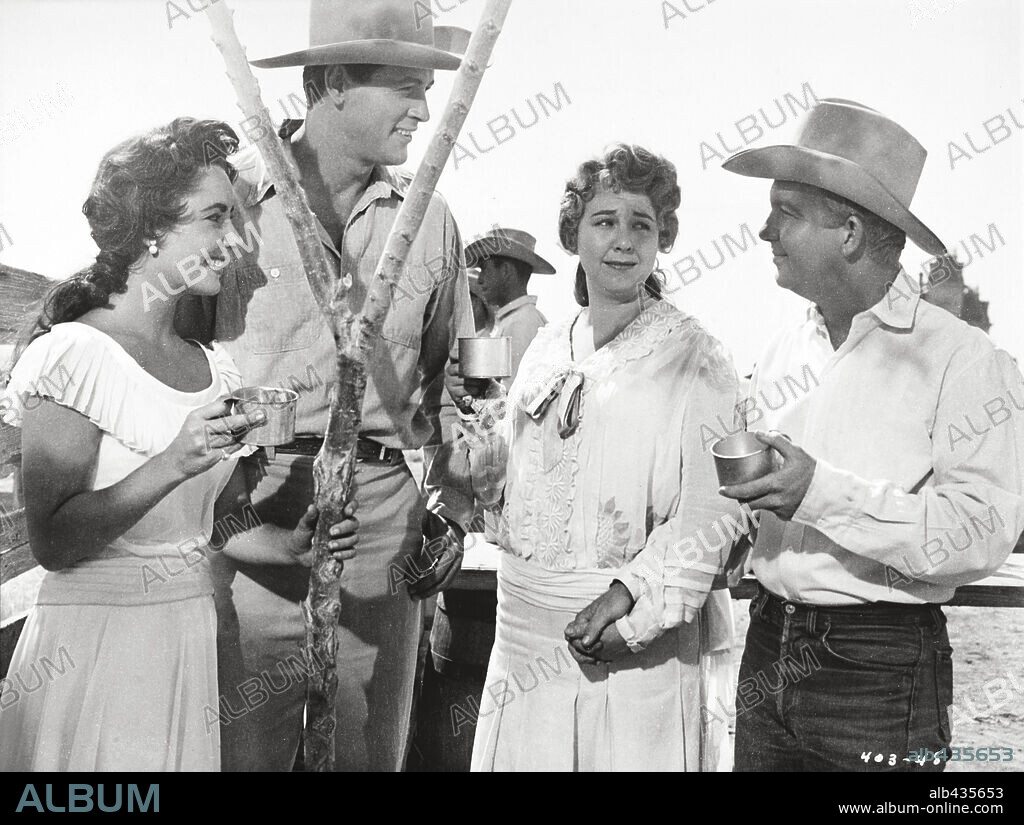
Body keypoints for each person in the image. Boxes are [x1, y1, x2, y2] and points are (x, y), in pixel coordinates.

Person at [0, 118, 358, 772]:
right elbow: (54, 542)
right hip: (96, 650)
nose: (234, 240)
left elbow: (212, 521)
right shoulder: (73, 355)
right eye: (216, 219)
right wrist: (170, 463)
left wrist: (286, 545)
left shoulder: (214, 366)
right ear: (149, 230)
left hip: (185, 644)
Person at [175, 0, 474, 772]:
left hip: (385, 530)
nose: (425, 109)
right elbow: (169, 374)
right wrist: (228, 517)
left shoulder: (430, 218)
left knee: (371, 755)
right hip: (247, 517)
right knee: (239, 752)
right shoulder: (229, 210)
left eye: (430, 89)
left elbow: (458, 389)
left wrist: (454, 507)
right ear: (334, 83)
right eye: (407, 85)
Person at [718, 99, 1024, 771]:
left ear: (851, 232)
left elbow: (977, 534)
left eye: (787, 213)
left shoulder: (965, 363)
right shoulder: (780, 350)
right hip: (766, 647)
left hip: (879, 675)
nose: (766, 232)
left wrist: (817, 492)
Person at [450, 144, 740, 772]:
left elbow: (713, 513)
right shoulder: (546, 347)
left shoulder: (696, 356)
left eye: (643, 223)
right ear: (573, 234)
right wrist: (476, 469)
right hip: (522, 635)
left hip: (624, 640)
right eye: (604, 221)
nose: (623, 240)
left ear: (664, 238)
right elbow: (518, 490)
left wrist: (634, 608)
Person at [466, 227, 556, 385]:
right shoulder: (513, 320)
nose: (480, 279)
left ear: (506, 271)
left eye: (485, 269)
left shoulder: (520, 323)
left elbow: (513, 400)